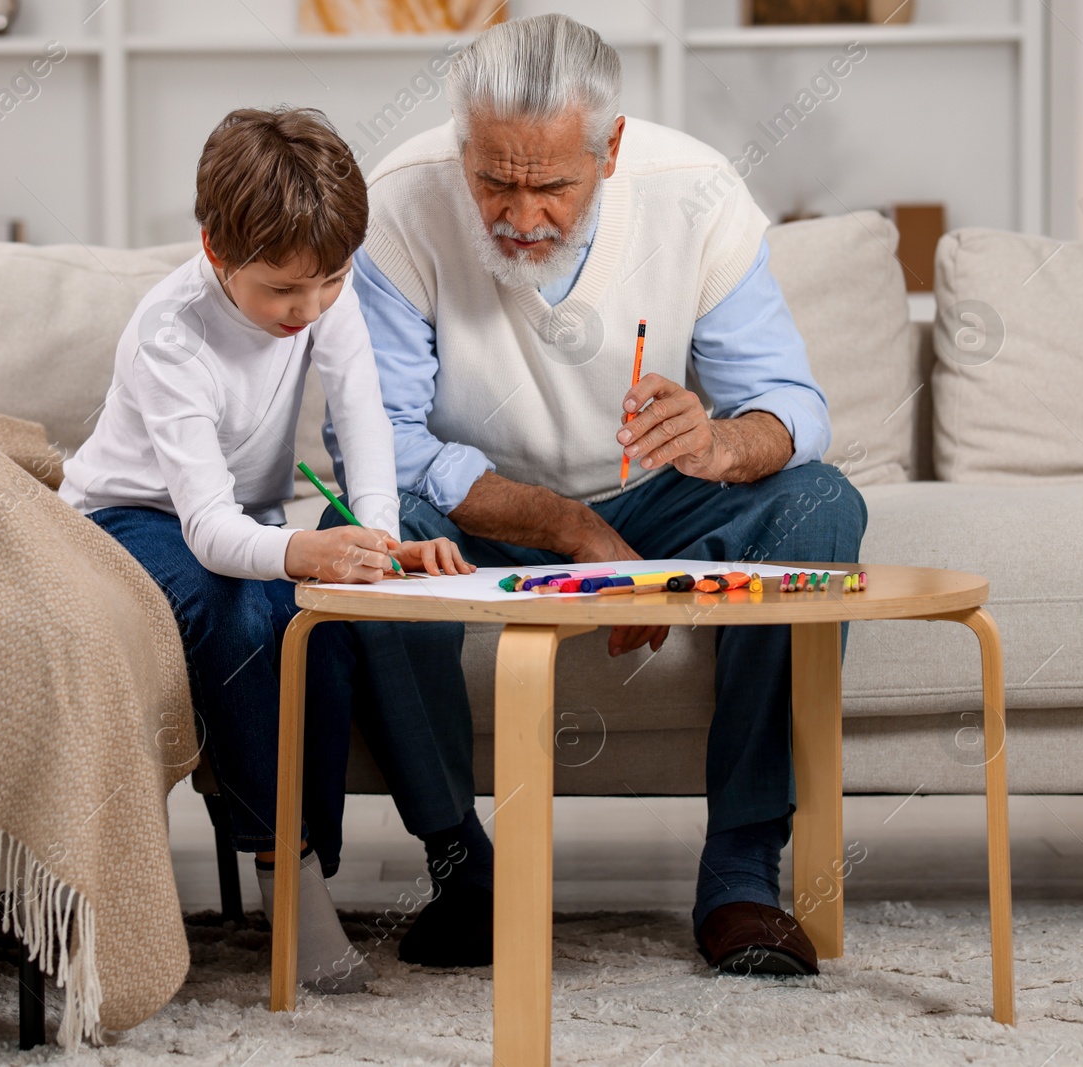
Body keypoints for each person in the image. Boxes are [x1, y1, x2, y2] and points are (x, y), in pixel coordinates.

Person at [330, 14, 867, 975]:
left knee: (819, 509)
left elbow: (795, 408)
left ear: (610, 150)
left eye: (551, 186)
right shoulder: (401, 205)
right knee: (370, 531)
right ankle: (464, 873)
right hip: (479, 513)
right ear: (463, 146)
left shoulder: (695, 194)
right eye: (493, 178)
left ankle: (743, 874)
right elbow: (383, 444)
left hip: (656, 500)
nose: (519, 214)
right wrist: (572, 527)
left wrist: (722, 439)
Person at [59, 106, 473, 994]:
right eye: (282, 291)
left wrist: (378, 539)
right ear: (215, 250)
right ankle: (290, 879)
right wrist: (306, 552)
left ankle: (304, 857)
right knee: (239, 605)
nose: (308, 308)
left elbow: (360, 412)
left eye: (327, 283)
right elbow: (205, 530)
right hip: (132, 516)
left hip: (243, 515)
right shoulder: (170, 332)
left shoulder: (326, 280)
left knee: (309, 618)